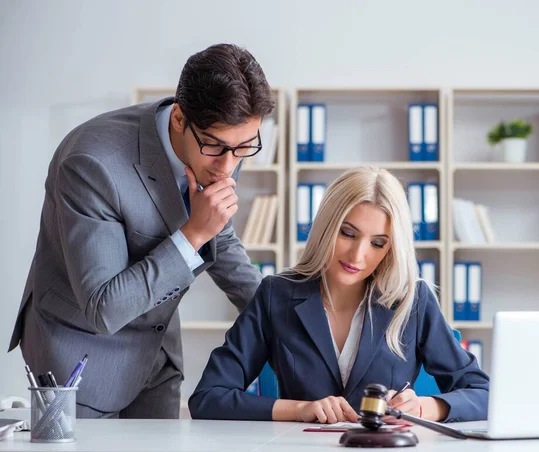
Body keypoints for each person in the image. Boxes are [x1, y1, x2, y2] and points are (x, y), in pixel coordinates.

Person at [8, 43, 274, 419]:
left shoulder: (224, 146)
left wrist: (282, 320)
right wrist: (193, 235)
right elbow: (104, 308)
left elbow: (219, 233)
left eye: (245, 147)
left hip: (158, 357)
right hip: (79, 360)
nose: (228, 168)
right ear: (180, 119)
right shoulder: (92, 164)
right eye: (216, 147)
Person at [189, 167, 489, 424]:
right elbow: (208, 398)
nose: (358, 255)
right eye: (347, 233)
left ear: (392, 248)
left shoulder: (413, 300)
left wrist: (426, 406)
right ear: (326, 227)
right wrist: (300, 409)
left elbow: (483, 394)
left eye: (378, 243)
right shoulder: (276, 295)